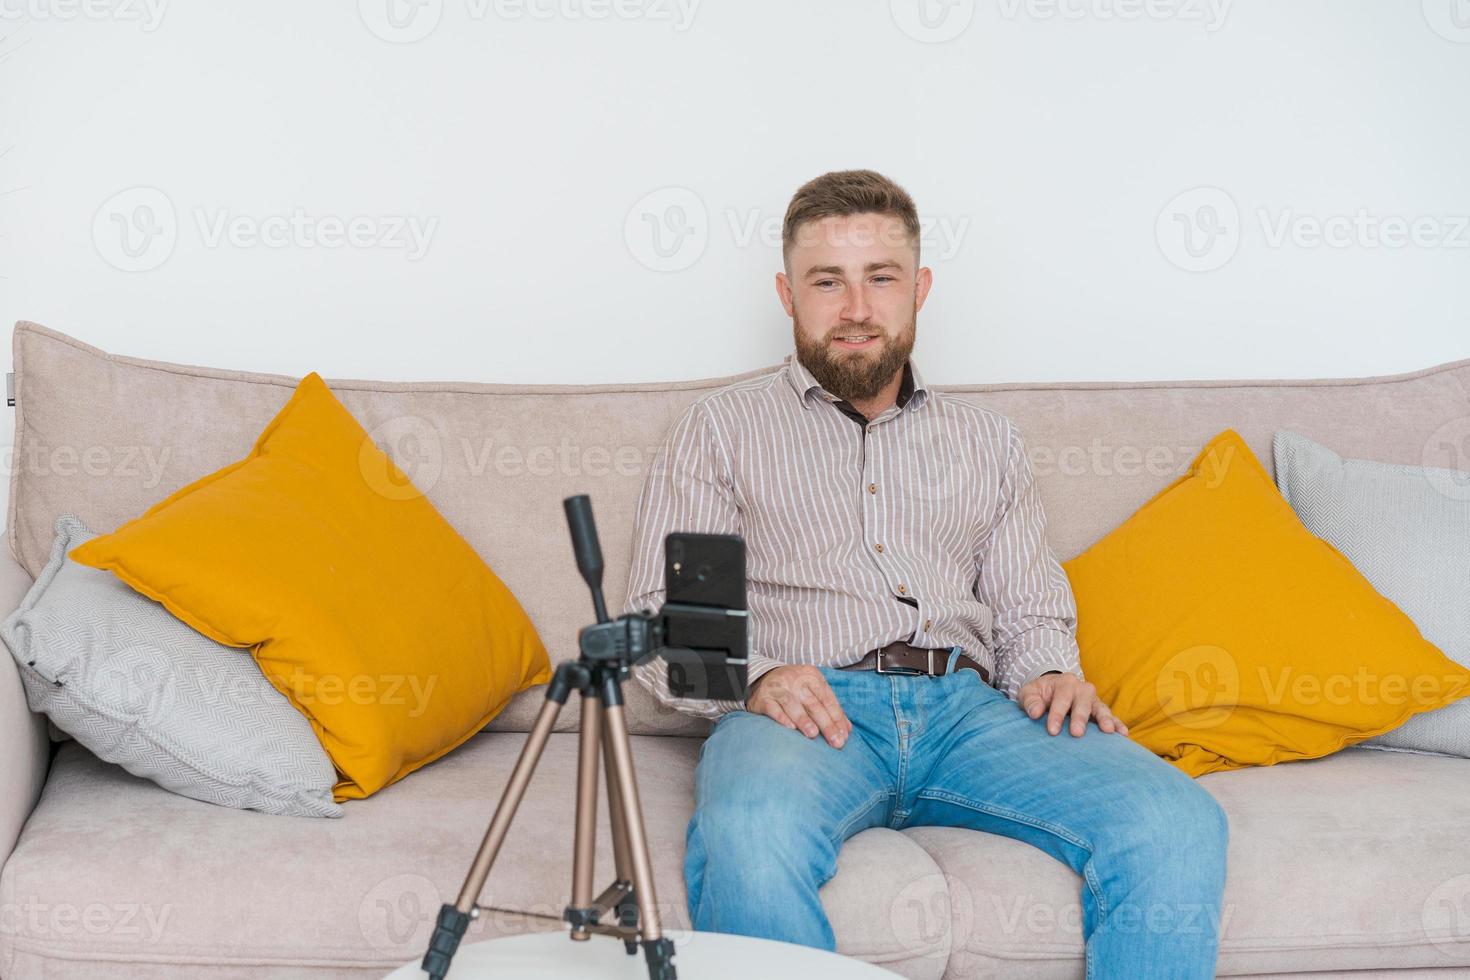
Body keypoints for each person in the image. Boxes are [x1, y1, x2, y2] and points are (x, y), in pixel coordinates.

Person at [623, 169, 1228, 978]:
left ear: (920, 289)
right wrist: (760, 678)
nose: (856, 308)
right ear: (786, 293)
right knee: (751, 831)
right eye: (826, 281)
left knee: (1175, 819)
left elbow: (1029, 603)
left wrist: (1050, 670)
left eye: (881, 278)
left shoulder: (988, 441)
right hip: (806, 716)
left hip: (971, 716)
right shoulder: (720, 432)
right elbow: (668, 613)